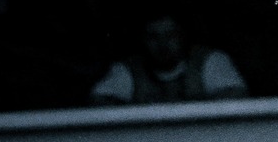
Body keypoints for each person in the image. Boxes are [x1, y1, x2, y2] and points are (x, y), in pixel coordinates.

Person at [89, 12, 248, 105]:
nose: (162, 44)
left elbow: (238, 94)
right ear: (143, 40)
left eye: (170, 35)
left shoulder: (208, 60)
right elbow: (98, 101)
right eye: (153, 37)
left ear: (183, 36)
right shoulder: (129, 68)